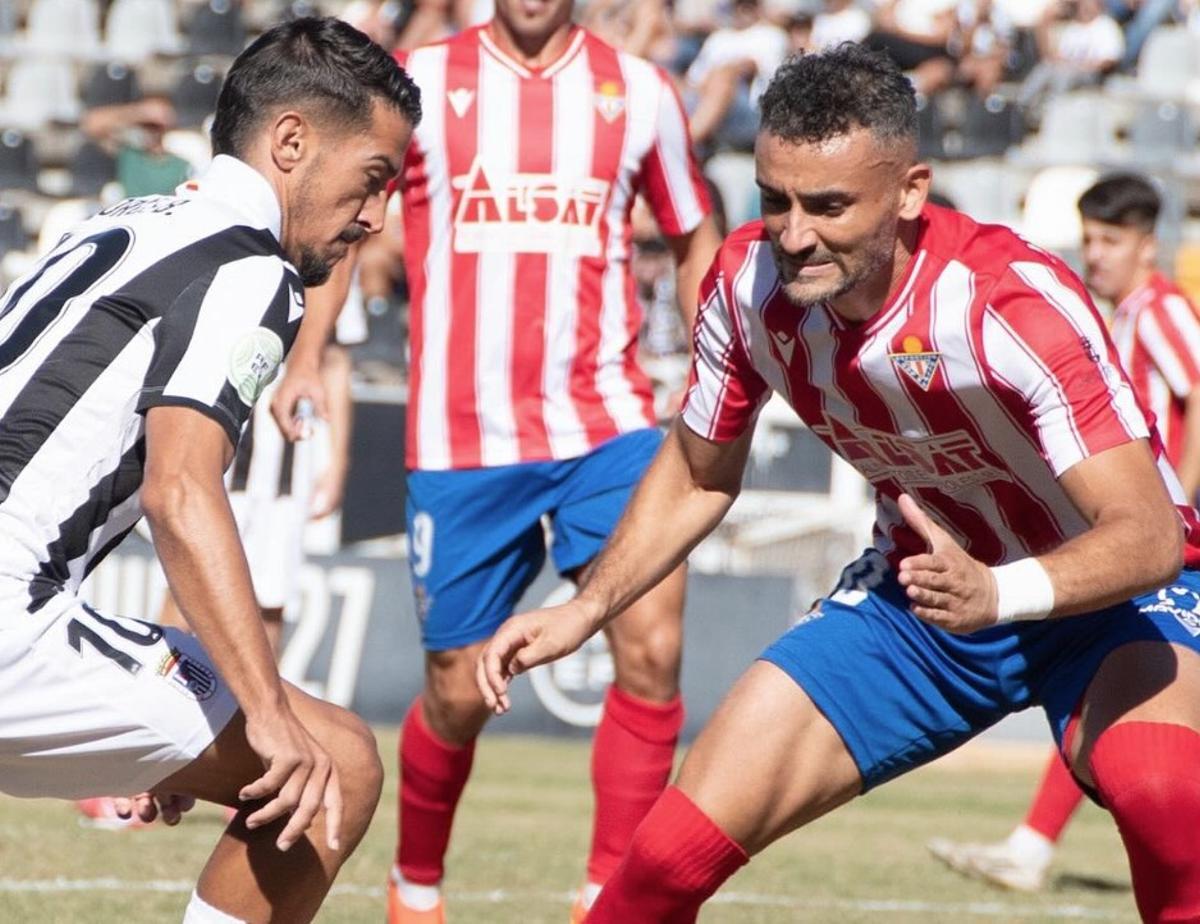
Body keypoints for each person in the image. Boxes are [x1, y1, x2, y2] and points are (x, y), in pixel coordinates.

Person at [478, 44, 1200, 923]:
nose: (793, 236)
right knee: (664, 859)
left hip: (1111, 601)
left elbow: (1150, 535)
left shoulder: (1006, 302)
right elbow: (700, 472)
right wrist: (586, 607)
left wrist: (997, 591)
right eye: (773, 200)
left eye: (828, 206)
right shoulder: (745, 285)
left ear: (909, 192)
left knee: (1165, 797)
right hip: (919, 604)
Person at [274, 0, 720, 920]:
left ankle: (607, 898)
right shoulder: (422, 82)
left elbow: (693, 235)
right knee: (457, 692)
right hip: (462, 437)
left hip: (608, 423)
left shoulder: (641, 93)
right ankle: (416, 884)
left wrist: (722, 368)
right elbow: (352, 219)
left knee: (653, 647)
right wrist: (308, 355)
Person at [0, 17, 419, 923]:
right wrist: (261, 713)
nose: (375, 217)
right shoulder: (251, 268)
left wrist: (167, 724)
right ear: (291, 142)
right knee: (334, 762)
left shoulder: (111, 225)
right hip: (9, 629)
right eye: (372, 178)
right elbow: (181, 490)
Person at [927, 170, 1200, 892]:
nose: (1095, 255)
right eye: (1089, 240)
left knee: (1130, 688)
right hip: (1149, 540)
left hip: (1169, 545)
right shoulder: (1123, 315)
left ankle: (1034, 845)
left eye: (1111, 240)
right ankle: (1032, 844)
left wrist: (1178, 498)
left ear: (1147, 245)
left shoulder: (1160, 309)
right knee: (1119, 688)